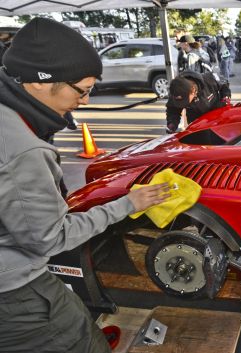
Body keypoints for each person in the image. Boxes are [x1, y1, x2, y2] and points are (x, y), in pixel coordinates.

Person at [0, 18, 169, 353]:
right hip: (13, 290)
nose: (87, 101)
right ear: (39, 82)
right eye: (84, 89)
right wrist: (127, 205)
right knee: (79, 335)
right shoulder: (25, 150)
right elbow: (49, 238)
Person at [165, 70, 232, 133]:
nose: (183, 104)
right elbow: (172, 110)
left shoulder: (209, 79)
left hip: (217, 116)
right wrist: (172, 124)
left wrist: (225, 98)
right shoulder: (176, 91)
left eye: (185, 100)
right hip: (196, 123)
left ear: (193, 90)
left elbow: (224, 84)